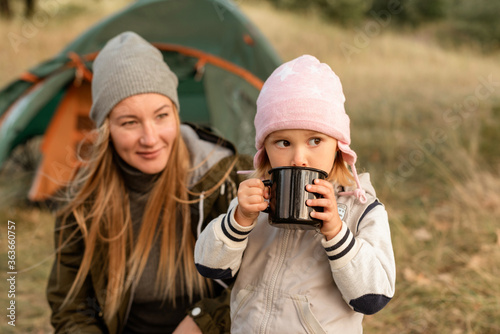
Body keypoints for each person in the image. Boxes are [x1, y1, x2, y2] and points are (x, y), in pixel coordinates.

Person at [46, 31, 252, 333]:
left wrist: (202, 322)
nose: (150, 138)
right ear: (107, 130)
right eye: (129, 122)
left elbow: (264, 281)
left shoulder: (227, 181)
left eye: (161, 116)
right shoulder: (83, 202)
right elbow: (71, 308)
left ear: (176, 114)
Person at [194, 55, 396, 333]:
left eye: (315, 140)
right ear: (265, 148)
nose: (299, 158)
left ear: (338, 145)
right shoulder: (254, 201)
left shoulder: (362, 210)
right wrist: (238, 220)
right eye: (283, 142)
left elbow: (372, 298)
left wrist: (336, 233)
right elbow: (210, 268)